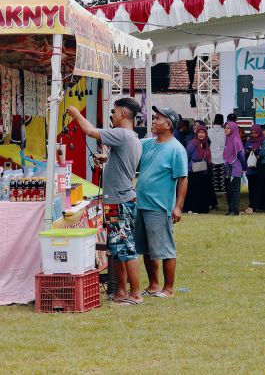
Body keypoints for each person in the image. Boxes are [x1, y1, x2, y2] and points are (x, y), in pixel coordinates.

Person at [67, 98, 143, 305]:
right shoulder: (132, 138)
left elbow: (91, 132)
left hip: (119, 200)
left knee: (125, 247)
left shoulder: (122, 134)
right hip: (117, 199)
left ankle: (135, 293)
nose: (113, 116)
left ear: (123, 115)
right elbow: (123, 164)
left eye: (115, 112)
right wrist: (107, 161)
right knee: (117, 248)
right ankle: (120, 291)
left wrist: (75, 113)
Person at [136, 106, 188, 298]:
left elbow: (182, 178)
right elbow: (130, 145)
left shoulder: (176, 149)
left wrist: (178, 207)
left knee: (165, 249)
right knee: (147, 249)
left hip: (159, 206)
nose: (154, 121)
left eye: (158, 118)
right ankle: (153, 285)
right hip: (141, 203)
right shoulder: (149, 143)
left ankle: (168, 289)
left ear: (169, 124)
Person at [184, 124, 214, 214]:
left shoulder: (206, 143)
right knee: (193, 190)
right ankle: (191, 208)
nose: (201, 134)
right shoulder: (192, 143)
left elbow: (207, 155)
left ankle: (201, 208)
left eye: (203, 132)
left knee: (202, 190)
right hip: (193, 170)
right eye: (199, 132)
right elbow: (186, 155)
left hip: (203, 170)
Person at [223, 120, 246, 216]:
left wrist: (244, 167)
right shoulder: (228, 139)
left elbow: (241, 155)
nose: (226, 130)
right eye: (225, 128)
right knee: (229, 189)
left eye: (228, 128)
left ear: (233, 129)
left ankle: (234, 210)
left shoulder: (236, 140)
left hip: (235, 168)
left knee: (234, 190)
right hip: (228, 168)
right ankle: (230, 209)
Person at [245, 125, 265, 212]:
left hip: (259, 168)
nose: (254, 135)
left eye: (256, 133)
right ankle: (252, 205)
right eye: (252, 133)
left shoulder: (263, 141)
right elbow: (245, 150)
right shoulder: (248, 141)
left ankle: (259, 205)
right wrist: (247, 151)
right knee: (251, 188)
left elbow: (264, 153)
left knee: (259, 188)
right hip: (250, 169)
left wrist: (256, 152)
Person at [208, 114, 227, 206]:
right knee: (222, 177)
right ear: (222, 121)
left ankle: (214, 195)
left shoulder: (209, 131)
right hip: (223, 157)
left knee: (214, 178)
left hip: (212, 157)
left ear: (214, 120)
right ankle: (224, 194)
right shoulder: (225, 131)